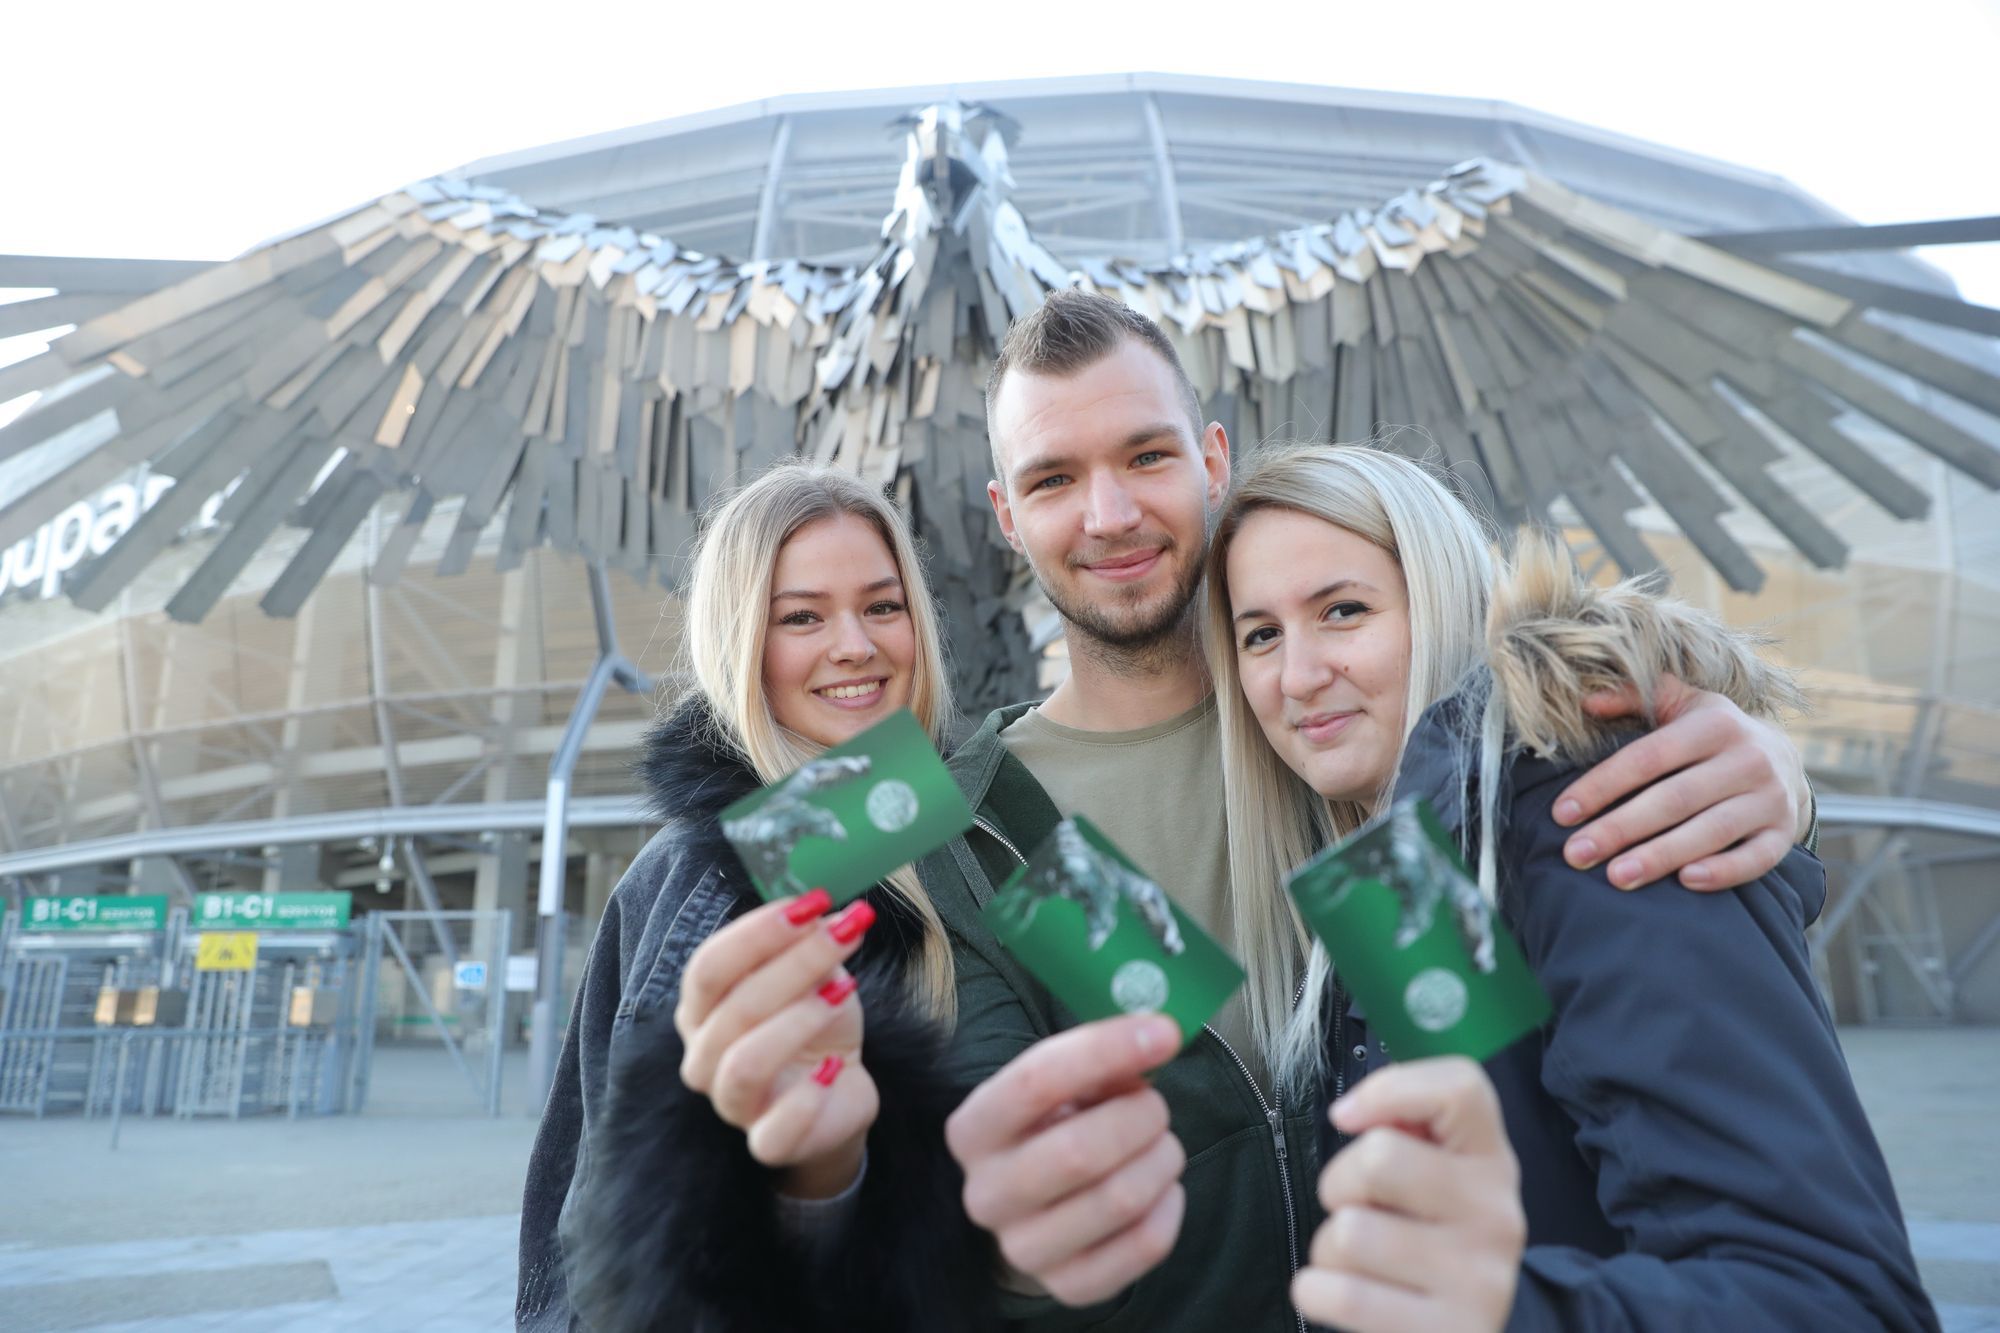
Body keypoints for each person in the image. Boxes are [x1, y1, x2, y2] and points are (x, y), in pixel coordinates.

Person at [926, 289, 1820, 1330]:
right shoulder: (980, 811)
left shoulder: (1365, 740)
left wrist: (1775, 786)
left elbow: (1599, 1048)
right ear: (1005, 515)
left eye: (1144, 456)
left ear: (1211, 459)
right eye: (1052, 478)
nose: (1109, 513)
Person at [1206, 443, 1936, 1331]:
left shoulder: (1594, 811)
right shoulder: (1401, 874)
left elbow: (1833, 1299)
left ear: (1439, 601)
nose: (1298, 674)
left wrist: (1501, 1313)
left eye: (1345, 610)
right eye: (1260, 635)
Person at [515, 462, 994, 1332]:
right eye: (801, 616)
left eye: (883, 606)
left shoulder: (981, 825)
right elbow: (612, 1253)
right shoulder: (688, 880)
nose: (855, 644)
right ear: (740, 640)